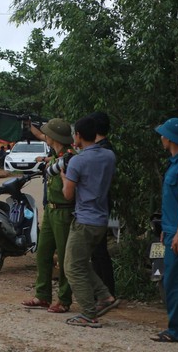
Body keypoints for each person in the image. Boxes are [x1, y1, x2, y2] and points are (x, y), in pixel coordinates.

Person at [61, 116, 117, 328]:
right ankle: (105, 296)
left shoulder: (78, 161)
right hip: (102, 219)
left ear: (78, 136)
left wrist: (64, 177)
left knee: (72, 267)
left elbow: (68, 195)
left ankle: (88, 312)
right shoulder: (109, 156)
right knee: (82, 262)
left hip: (84, 220)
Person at [21, 118, 75, 313]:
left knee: (63, 257)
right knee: (43, 253)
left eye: (48, 135)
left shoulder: (69, 158)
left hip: (64, 211)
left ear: (54, 138)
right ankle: (42, 295)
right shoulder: (56, 156)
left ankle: (64, 299)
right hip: (51, 210)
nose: (45, 138)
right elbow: (41, 135)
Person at [150, 117, 178, 343]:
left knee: (176, 282)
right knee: (174, 281)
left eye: (164, 135)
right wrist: (168, 228)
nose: (162, 138)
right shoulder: (175, 163)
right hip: (172, 230)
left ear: (172, 138)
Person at [88, 112, 117, 305]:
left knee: (98, 251)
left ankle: (105, 293)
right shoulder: (107, 149)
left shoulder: (102, 151)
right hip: (102, 204)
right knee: (98, 251)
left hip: (97, 205)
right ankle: (105, 291)